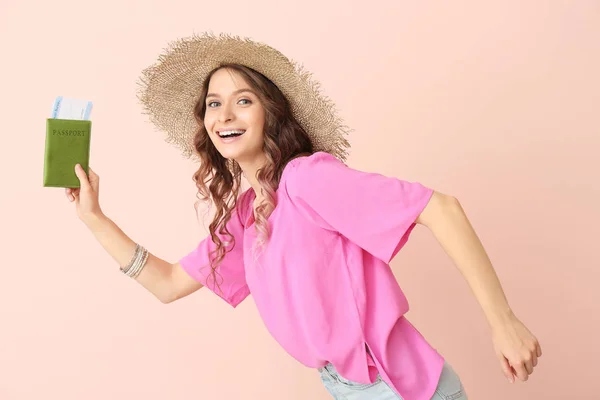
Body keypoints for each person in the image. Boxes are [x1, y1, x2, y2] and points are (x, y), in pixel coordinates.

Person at [65, 33, 541, 400]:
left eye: (243, 100)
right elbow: (167, 282)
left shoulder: (307, 180)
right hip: (344, 387)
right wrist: (93, 217)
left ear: (270, 113)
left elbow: (440, 208)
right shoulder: (248, 216)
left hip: (397, 388)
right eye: (214, 103)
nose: (224, 114)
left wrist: (503, 322)